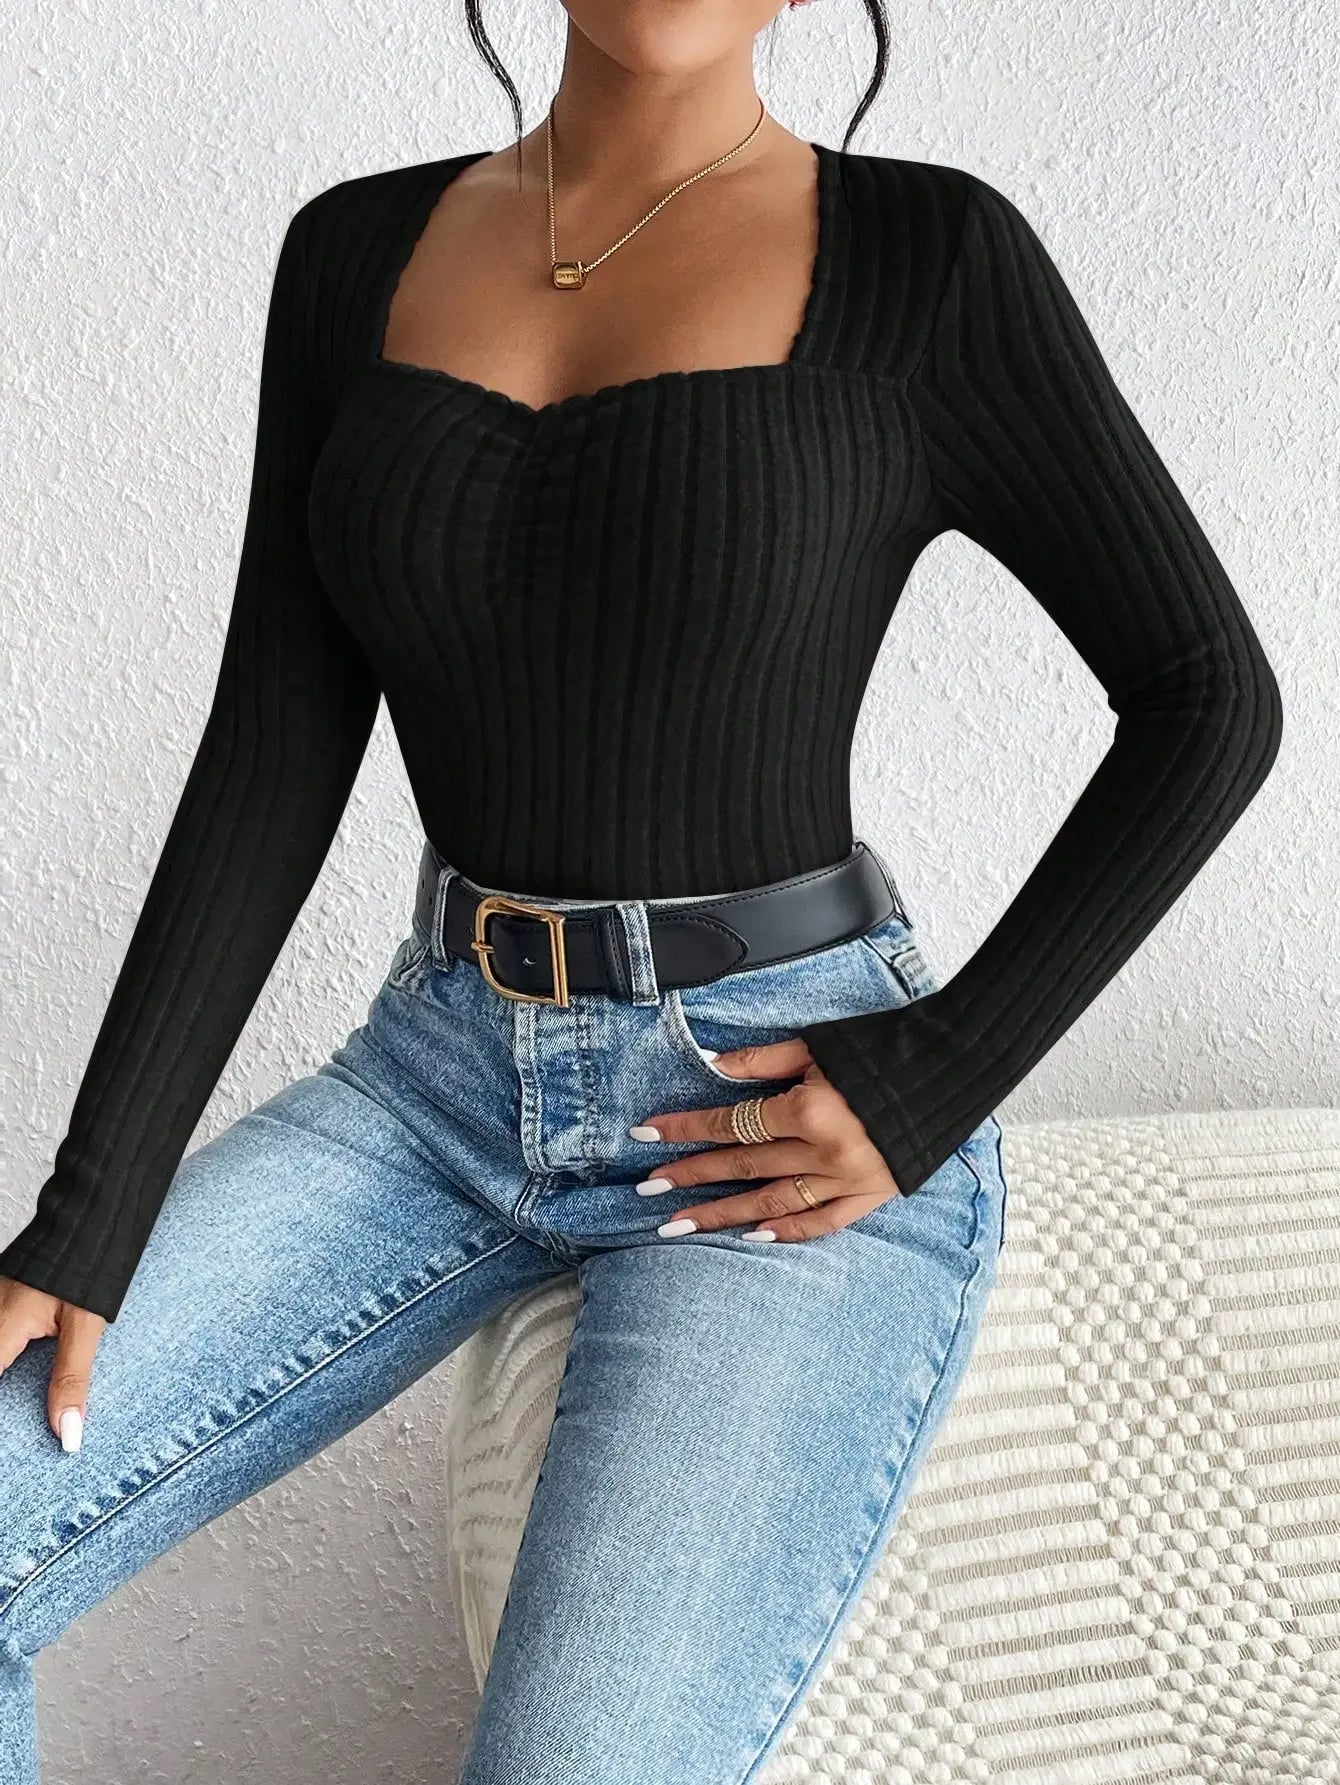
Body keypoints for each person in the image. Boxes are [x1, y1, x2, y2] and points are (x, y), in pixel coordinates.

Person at [0, 2, 1282, 1779]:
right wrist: (93, 1211)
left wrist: (932, 1077)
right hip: (435, 1078)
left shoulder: (932, 259)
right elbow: (271, 751)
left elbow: (1211, 695)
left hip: (777, 1114)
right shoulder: (352, 253)